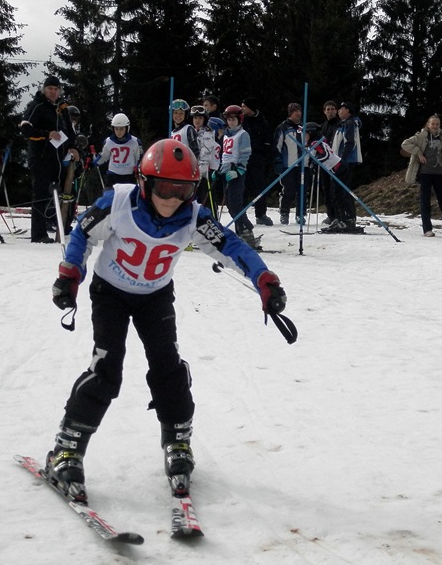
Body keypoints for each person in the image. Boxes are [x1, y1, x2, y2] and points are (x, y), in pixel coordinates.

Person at [42, 138, 287, 504]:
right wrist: (70, 273)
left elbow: (231, 246)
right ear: (145, 182)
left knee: (168, 366)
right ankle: (66, 449)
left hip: (155, 296)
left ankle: (178, 442)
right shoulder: (119, 201)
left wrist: (264, 280)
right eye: (165, 188)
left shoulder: (192, 215)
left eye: (183, 189)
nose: (173, 199)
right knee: (106, 367)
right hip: (110, 292)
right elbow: (82, 233)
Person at [20, 75, 80, 243]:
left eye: (56, 89)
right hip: (40, 157)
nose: (53, 92)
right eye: (50, 89)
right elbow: (25, 129)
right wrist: (46, 135)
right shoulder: (37, 106)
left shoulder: (63, 108)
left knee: (65, 193)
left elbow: (69, 132)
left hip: (59, 158)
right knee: (41, 194)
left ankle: (64, 227)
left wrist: (74, 147)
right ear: (44, 90)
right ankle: (39, 234)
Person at [401, 115, 442, 237]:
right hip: (425, 173)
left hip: (439, 173)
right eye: (433, 124)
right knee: (425, 200)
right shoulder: (421, 136)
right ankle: (427, 229)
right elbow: (405, 144)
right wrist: (418, 153)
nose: (435, 126)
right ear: (428, 124)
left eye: (437, 124)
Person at [218, 104, 259, 248]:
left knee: (236, 204)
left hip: (236, 171)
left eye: (233, 119)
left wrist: (239, 170)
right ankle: (239, 231)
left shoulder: (243, 134)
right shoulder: (226, 135)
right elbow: (224, 154)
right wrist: (219, 170)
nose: (231, 122)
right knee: (230, 205)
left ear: (239, 119)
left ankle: (247, 232)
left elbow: (245, 153)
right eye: (229, 120)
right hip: (226, 171)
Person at [326, 101, 361, 232]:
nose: (339, 111)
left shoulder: (349, 124)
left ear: (348, 111)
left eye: (341, 109)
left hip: (344, 162)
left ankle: (347, 219)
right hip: (337, 161)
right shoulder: (341, 125)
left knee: (340, 191)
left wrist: (342, 160)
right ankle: (343, 217)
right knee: (338, 190)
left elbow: (350, 143)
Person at [241, 98, 274, 226]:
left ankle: (260, 214)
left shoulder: (261, 120)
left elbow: (267, 138)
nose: (242, 108)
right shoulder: (242, 120)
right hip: (244, 158)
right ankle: (242, 214)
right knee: (242, 187)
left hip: (257, 158)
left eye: (244, 106)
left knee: (259, 186)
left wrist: (264, 152)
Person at [274, 103, 306, 225]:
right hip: (288, 164)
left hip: (303, 165)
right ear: (290, 113)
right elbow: (277, 146)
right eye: (295, 111)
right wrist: (277, 161)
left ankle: (301, 214)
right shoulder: (283, 127)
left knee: (302, 190)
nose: (298, 113)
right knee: (288, 190)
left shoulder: (304, 127)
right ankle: (284, 213)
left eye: (299, 111)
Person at [95, 113, 143, 186]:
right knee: (110, 196)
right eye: (116, 129)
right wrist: (92, 164)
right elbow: (104, 156)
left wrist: (137, 167)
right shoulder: (108, 142)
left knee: (129, 196)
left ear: (127, 128)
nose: (119, 132)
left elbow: (139, 158)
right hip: (113, 176)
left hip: (129, 176)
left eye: (121, 129)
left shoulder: (135, 142)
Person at [320, 101, 341, 224]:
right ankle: (331, 214)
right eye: (328, 109)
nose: (330, 111)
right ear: (324, 111)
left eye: (332, 109)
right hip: (324, 162)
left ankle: (339, 214)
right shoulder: (322, 126)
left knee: (336, 189)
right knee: (326, 189)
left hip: (336, 160)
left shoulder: (340, 125)